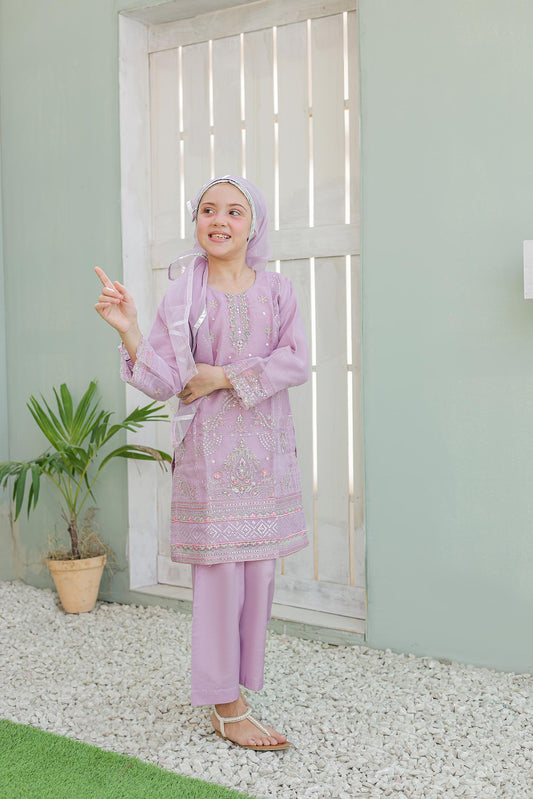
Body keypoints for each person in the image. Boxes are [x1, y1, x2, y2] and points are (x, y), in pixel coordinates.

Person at [95, 176, 309, 751]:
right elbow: (166, 382)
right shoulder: (183, 296)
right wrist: (131, 330)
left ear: (253, 225)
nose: (219, 220)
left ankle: (240, 688)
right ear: (197, 223)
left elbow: (296, 362)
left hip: (265, 462)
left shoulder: (279, 291)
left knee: (257, 578)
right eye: (207, 210)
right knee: (218, 581)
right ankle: (225, 705)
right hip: (209, 463)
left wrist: (225, 375)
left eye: (233, 212)